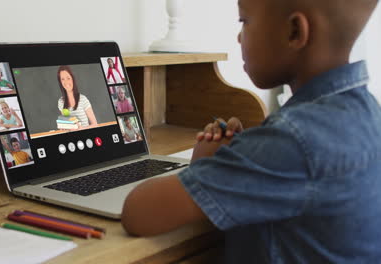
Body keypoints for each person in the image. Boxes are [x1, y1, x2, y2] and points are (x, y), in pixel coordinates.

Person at [121, 0, 381, 263]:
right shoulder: (368, 113)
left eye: (244, 22)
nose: (238, 36)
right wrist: (243, 156)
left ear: (294, 32)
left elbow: (138, 213)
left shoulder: (292, 139)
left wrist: (211, 165)